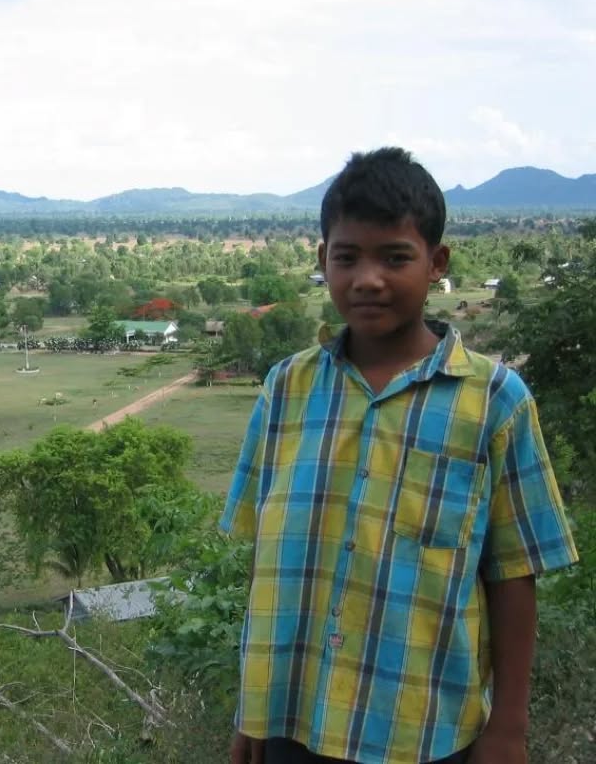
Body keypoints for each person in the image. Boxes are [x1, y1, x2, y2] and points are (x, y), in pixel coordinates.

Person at [220, 147, 577, 764]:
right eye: (347, 256)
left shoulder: (494, 401)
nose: (367, 278)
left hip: (422, 731)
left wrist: (509, 728)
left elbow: (514, 573)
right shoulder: (287, 388)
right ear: (322, 259)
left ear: (437, 262)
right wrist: (252, 709)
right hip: (292, 720)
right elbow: (267, 563)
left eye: (395, 257)